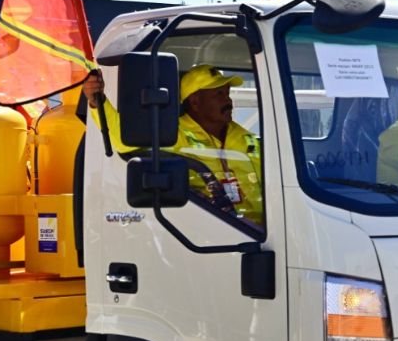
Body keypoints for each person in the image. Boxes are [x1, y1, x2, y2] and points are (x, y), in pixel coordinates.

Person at [82, 64, 264, 226]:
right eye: (218, 94)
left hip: (269, 231)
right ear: (195, 102)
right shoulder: (174, 134)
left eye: (227, 93)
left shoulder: (247, 138)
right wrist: (97, 101)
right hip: (219, 231)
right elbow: (125, 142)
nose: (228, 101)